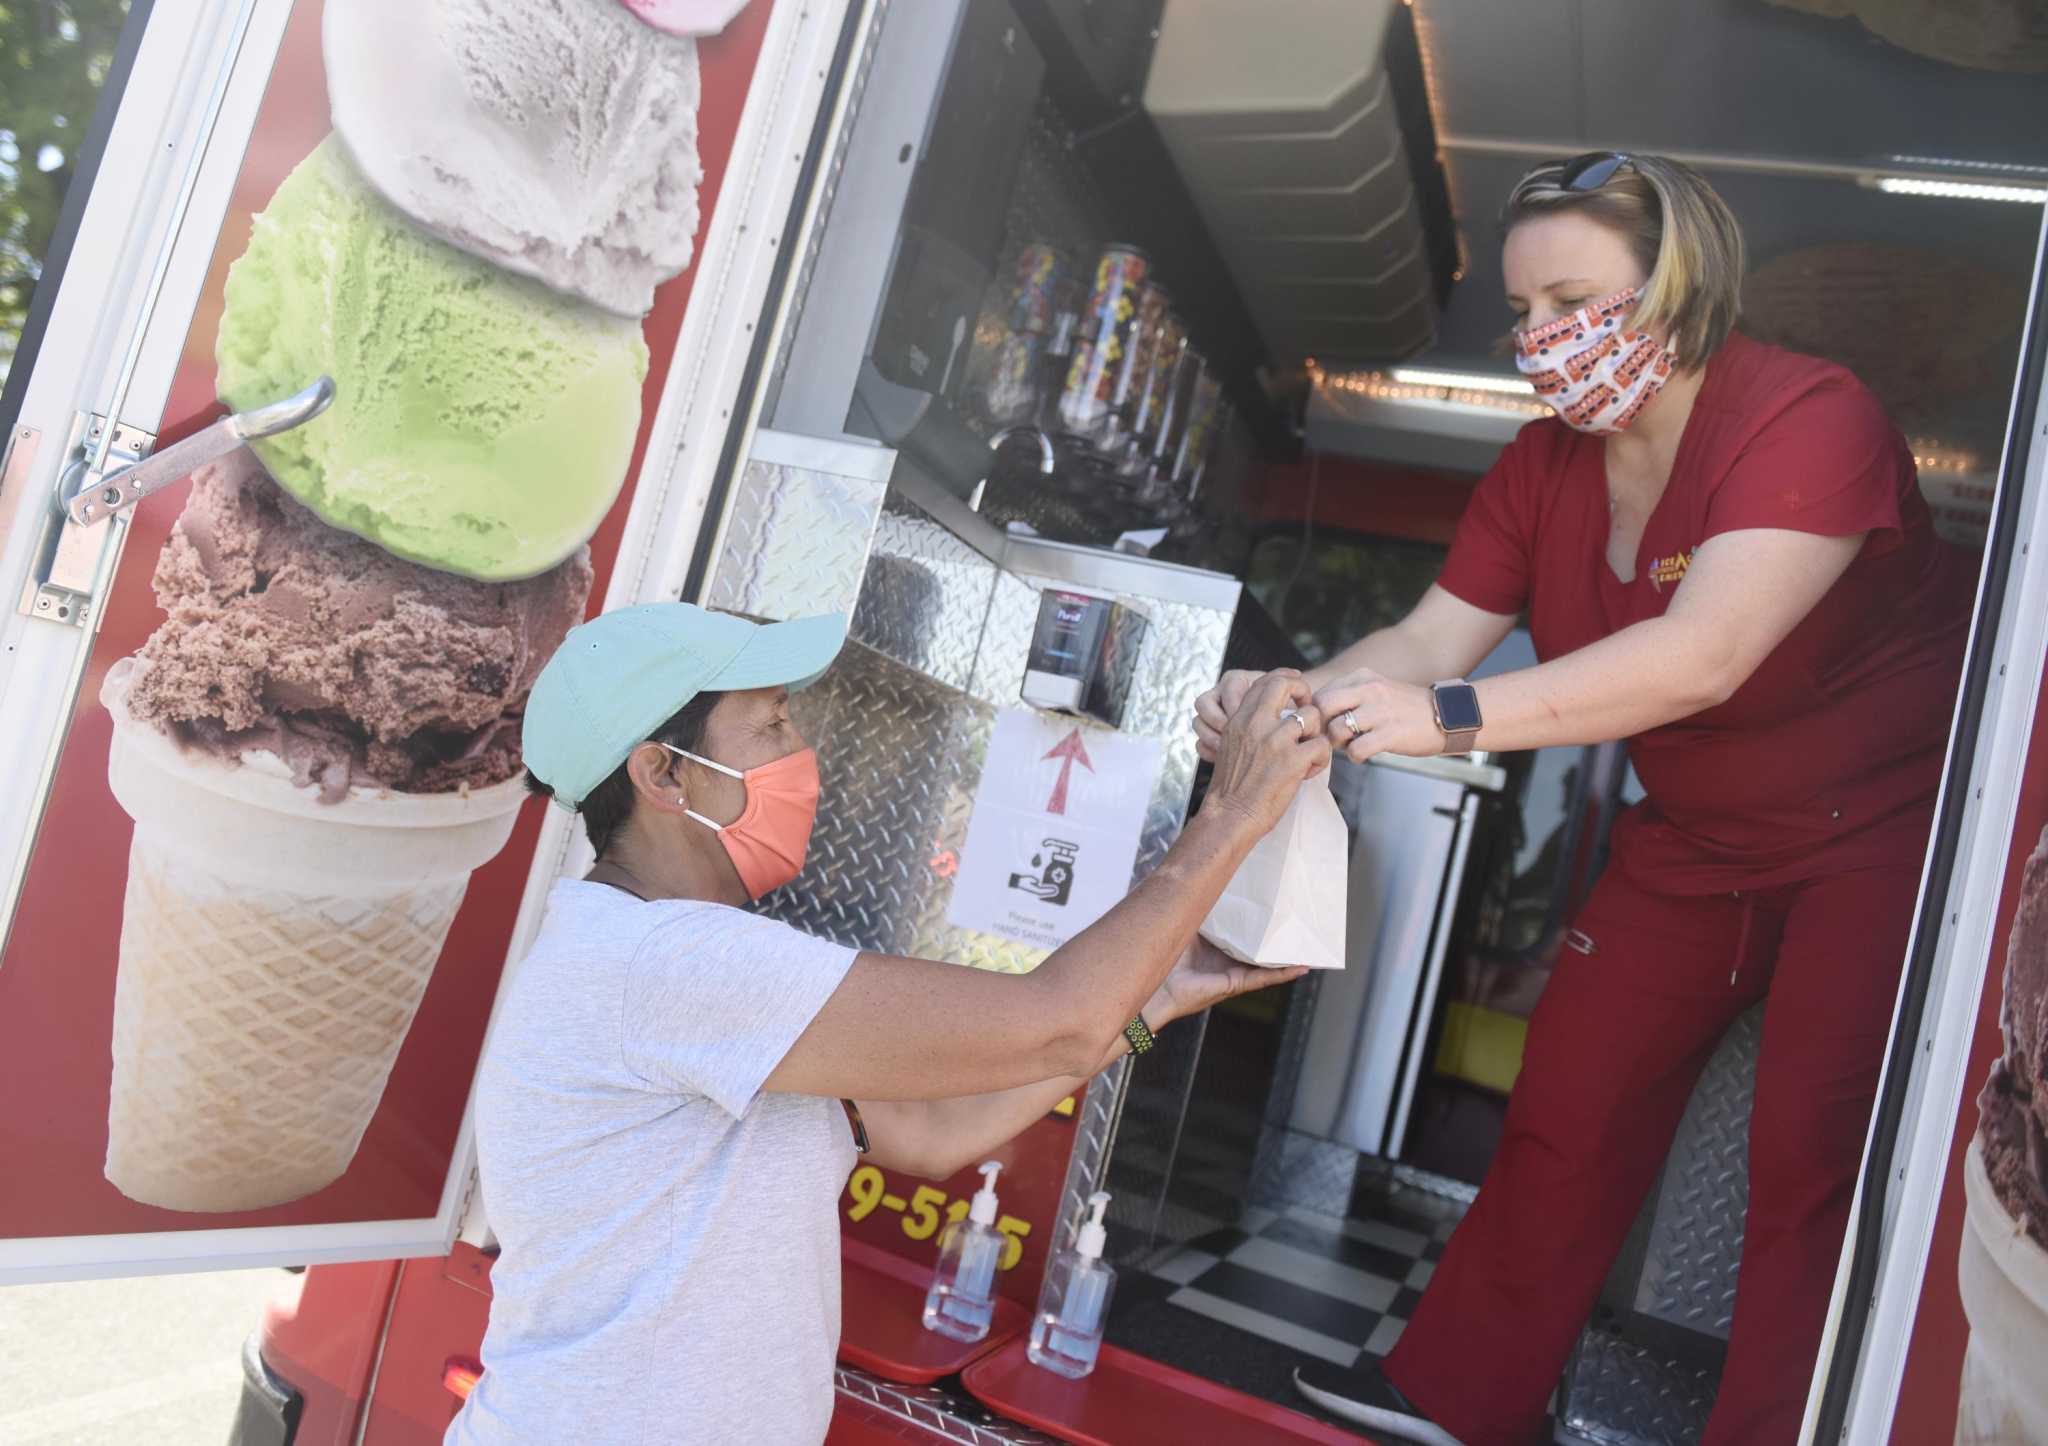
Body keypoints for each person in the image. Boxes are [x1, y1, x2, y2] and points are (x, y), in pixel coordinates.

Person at [1196, 153, 1975, 1446]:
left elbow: (1702, 652)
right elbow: (1432, 636)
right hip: (1700, 835)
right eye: (1522, 308)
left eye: (1573, 295)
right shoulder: (1543, 466)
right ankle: (1461, 1395)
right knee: (1572, 1093)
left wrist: (1448, 719)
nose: (1540, 337)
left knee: (1811, 1154)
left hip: (1886, 828)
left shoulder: (1808, 414)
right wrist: (1291, 697)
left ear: (1679, 283)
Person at [446, 602, 1331, 1446]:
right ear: (662, 774)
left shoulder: (668, 960)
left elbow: (933, 1132)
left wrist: (1160, 998)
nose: (802, 753)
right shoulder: (668, 962)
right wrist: (1233, 813)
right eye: (772, 727)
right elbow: (1056, 1022)